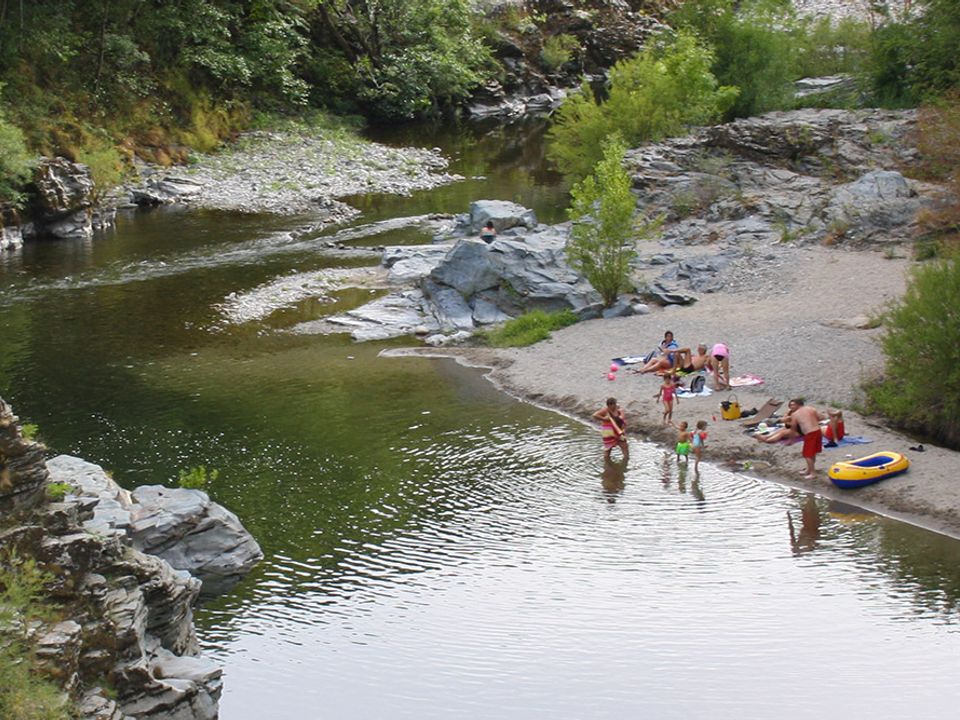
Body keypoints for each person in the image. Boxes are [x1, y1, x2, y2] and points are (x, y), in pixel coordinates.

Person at [789, 399, 825, 478]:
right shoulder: (811, 409)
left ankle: (813, 473)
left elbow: (793, 428)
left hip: (810, 433)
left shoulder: (795, 414)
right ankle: (808, 470)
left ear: (798, 404)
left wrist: (791, 439)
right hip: (818, 431)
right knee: (813, 452)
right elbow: (822, 417)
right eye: (790, 405)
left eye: (792, 405)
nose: (791, 407)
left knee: (807, 454)